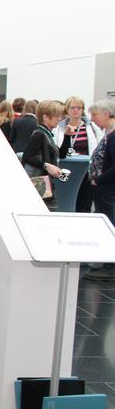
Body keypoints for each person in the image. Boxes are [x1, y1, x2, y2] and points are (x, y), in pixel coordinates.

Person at [83, 100, 115, 281]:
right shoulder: (108, 133)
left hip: (107, 188)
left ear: (106, 113)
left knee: (109, 223)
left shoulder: (113, 135)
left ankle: (109, 266)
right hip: (105, 188)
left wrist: (98, 180)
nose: (93, 119)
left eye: (95, 115)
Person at [53, 96, 102, 212]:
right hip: (66, 169)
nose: (76, 110)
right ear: (67, 110)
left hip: (86, 170)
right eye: (72, 107)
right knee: (66, 201)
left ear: (82, 110)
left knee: (84, 202)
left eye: (79, 108)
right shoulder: (59, 128)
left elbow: (98, 146)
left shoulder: (91, 127)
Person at [21, 100, 70, 211]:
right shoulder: (40, 134)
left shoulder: (45, 133)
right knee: (45, 213)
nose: (59, 119)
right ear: (45, 117)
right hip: (40, 182)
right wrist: (47, 166)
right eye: (56, 116)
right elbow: (27, 156)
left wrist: (67, 136)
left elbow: (61, 154)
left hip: (43, 182)